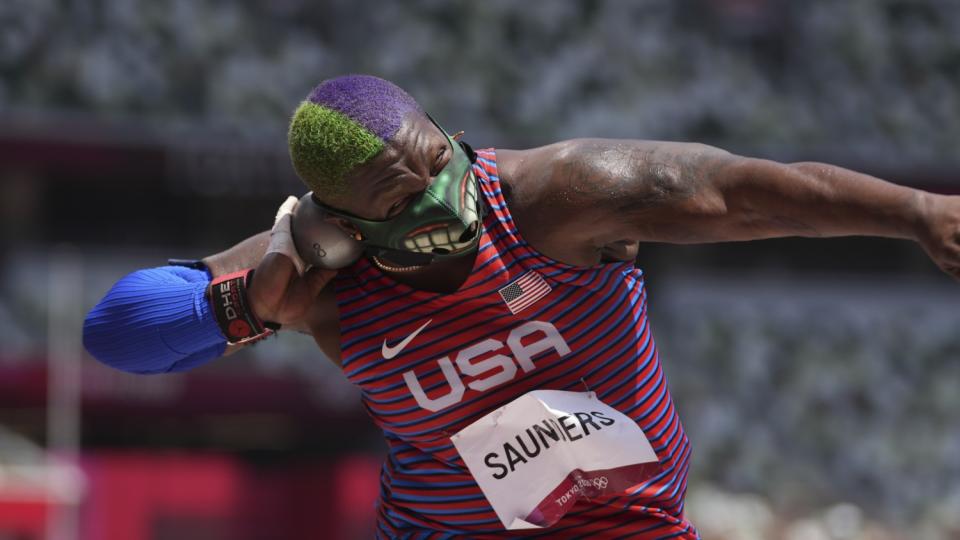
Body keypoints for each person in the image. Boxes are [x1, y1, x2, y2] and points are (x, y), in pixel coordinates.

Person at [84, 74, 960, 539]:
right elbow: (115, 336)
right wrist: (246, 307)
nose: (438, 198)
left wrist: (919, 214)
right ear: (342, 217)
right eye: (399, 199)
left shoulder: (556, 196)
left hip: (624, 526)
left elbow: (746, 193)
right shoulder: (317, 268)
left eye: (436, 162)